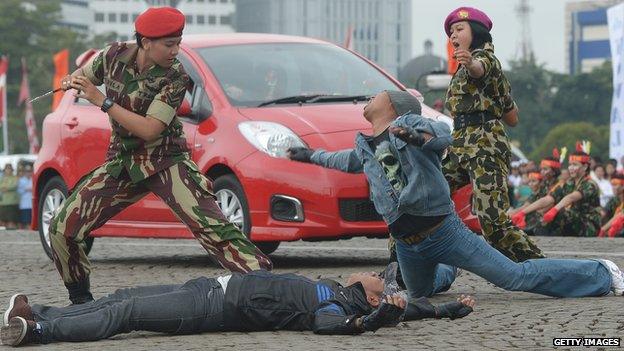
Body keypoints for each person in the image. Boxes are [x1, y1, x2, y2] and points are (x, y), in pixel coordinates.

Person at [287, 90, 624, 301]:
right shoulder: (365, 146)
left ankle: (601, 273)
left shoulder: (410, 126)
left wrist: (418, 135)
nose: (369, 99)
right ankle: (448, 271)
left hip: (445, 232)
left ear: (393, 106)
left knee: (513, 277)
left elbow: (443, 135)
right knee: (417, 294)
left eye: (377, 95)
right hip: (407, 243)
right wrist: (308, 155)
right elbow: (341, 160)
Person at [50, 7, 272, 305]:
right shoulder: (112, 56)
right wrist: (73, 81)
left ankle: (271, 288)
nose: (176, 50)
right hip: (124, 162)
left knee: (214, 230)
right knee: (63, 229)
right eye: (169, 44)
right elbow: (81, 76)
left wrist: (102, 101)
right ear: (145, 42)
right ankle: (81, 302)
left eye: (178, 42)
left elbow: (150, 129)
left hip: (167, 160)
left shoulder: (175, 76)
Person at [0, 270, 476, 346]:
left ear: (370, 296)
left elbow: (332, 327)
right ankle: (39, 311)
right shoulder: (338, 287)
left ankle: (39, 333)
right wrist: (448, 308)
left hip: (214, 305)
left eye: (381, 282)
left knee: (126, 317)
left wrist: (376, 319)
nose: (380, 275)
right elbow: (412, 308)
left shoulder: (337, 302)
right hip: (212, 284)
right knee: (121, 299)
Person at [441, 7, 543, 262]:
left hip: (484, 145)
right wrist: (498, 98)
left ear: (475, 33)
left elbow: (480, 68)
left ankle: (540, 266)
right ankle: (405, 264)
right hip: (460, 144)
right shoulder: (464, 70)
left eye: (459, 29)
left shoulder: (484, 59)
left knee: (493, 224)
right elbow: (512, 116)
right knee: (427, 193)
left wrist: (471, 62)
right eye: (451, 31)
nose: (453, 35)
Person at [512, 144, 602, 237]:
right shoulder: (569, 183)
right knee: (547, 209)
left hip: (588, 225)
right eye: (570, 164)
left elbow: (571, 197)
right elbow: (548, 199)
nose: (571, 168)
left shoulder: (590, 184)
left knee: (558, 211)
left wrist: (554, 210)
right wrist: (522, 213)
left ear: (585, 167)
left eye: (575, 165)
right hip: (574, 221)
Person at [0, 164, 19, 230]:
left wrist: (6, 188)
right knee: (3, 220)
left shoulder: (15, 178)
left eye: (9, 169)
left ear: (12, 170)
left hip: (12, 202)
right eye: (7, 169)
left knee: (11, 220)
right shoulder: (2, 178)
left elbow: (14, 185)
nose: (8, 170)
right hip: (3, 202)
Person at [16, 164, 33, 230]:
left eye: (30, 171)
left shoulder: (33, 179)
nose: (29, 173)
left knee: (31, 221)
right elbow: (18, 191)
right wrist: (25, 189)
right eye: (27, 171)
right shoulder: (21, 180)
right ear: (25, 172)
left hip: (32, 204)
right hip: (24, 204)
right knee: (25, 221)